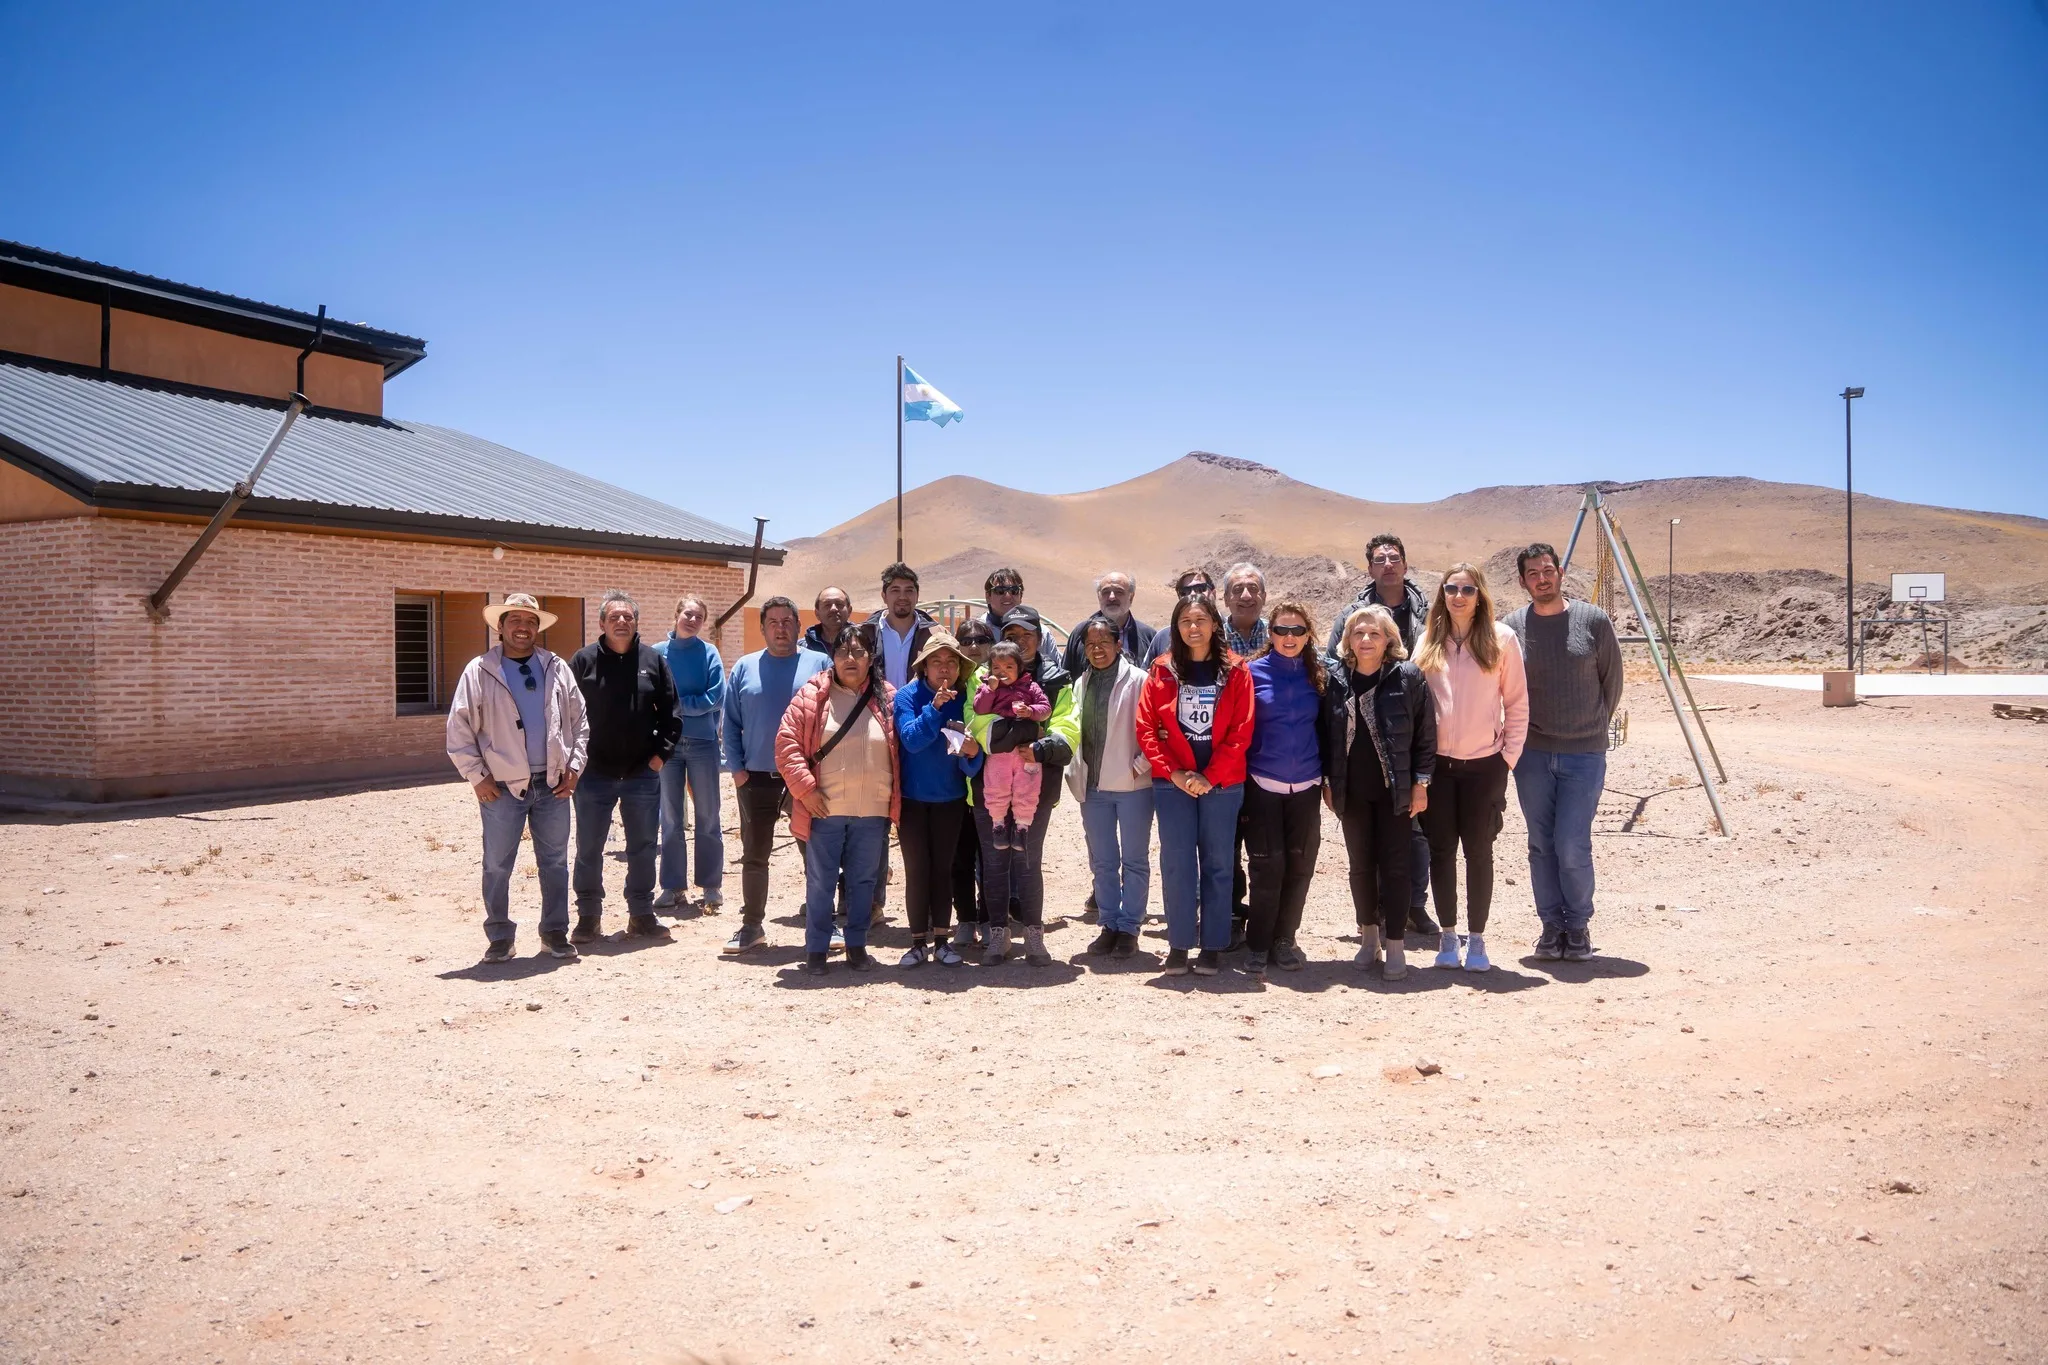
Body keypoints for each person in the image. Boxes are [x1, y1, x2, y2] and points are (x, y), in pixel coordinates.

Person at [446, 594, 589, 962]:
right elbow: (459, 730)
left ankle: (555, 933)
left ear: (537, 628)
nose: (523, 627)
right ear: (500, 627)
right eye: (515, 621)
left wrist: (574, 769)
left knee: (555, 862)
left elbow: (579, 724)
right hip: (502, 787)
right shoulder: (479, 670)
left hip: (553, 784)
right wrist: (477, 777)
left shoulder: (557, 667)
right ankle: (499, 937)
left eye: (530, 621)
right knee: (497, 863)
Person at [1502, 543, 1623, 962]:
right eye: (1532, 573)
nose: (1542, 577)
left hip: (1583, 754)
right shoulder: (1512, 627)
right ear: (1522, 581)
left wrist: (1590, 728)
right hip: (1532, 753)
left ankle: (1579, 925)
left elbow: (1612, 683)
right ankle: (1551, 927)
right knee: (1541, 844)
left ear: (1561, 572)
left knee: (1572, 843)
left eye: (1548, 570)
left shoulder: (1593, 621)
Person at [1413, 564, 1528, 973]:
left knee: (1479, 852)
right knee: (1441, 852)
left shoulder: (1502, 639)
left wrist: (1507, 758)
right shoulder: (1427, 642)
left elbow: (1516, 703)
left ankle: (1476, 940)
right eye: (1451, 588)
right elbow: (1415, 706)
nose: (1459, 596)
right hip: (1438, 769)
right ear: (1442, 594)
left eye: (1467, 588)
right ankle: (1448, 936)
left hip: (1485, 767)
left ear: (1479, 595)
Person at [1327, 533, 1439, 941]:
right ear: (1370, 567)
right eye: (1380, 559)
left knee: (1416, 832)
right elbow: (1331, 660)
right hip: (1366, 745)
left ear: (1405, 565)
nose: (1388, 564)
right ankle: (1372, 914)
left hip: (1411, 728)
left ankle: (1414, 907)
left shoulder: (1426, 611)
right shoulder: (1353, 615)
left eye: (1394, 558)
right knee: (1368, 839)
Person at [1138, 593, 1255, 977]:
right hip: (1173, 785)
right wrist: (1174, 773)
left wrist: (1211, 776)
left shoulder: (1236, 671)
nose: (1193, 628)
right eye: (1185, 621)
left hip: (1221, 785)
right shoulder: (1162, 669)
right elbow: (1146, 728)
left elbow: (1241, 730)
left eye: (1201, 620)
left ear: (1215, 625)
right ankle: (1179, 943)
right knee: (1177, 862)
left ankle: (1213, 944)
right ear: (1176, 628)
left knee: (1219, 863)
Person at [777, 629, 899, 975]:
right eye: (843, 651)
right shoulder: (813, 695)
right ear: (832, 657)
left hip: (872, 810)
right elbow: (787, 745)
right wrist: (805, 790)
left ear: (871, 658)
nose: (850, 659)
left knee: (864, 882)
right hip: (825, 808)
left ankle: (857, 946)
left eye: (858, 652)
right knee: (821, 881)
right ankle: (816, 949)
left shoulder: (887, 697)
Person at [963, 606, 1079, 966]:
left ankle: (1033, 935)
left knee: (1028, 861)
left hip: (1036, 783)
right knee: (994, 862)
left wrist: (1041, 745)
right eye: (1012, 635)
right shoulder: (984, 676)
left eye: (1027, 634)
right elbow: (975, 719)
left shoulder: (1056, 679)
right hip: (989, 786)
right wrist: (1022, 732)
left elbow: (1068, 726)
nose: (1020, 641)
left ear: (1040, 636)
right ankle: (998, 935)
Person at [719, 596, 830, 953]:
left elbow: (833, 717)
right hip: (756, 777)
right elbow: (730, 722)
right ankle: (751, 926)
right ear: (763, 628)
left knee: (816, 853)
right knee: (755, 854)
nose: (780, 628)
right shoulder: (745, 667)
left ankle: (825, 925)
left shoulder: (820, 663)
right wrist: (737, 771)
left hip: (806, 778)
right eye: (773, 622)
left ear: (799, 627)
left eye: (787, 622)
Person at [569, 591, 680, 943]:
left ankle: (641, 914)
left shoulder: (653, 660)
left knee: (643, 846)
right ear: (601, 623)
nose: (621, 622)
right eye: (614, 617)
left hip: (641, 775)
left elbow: (672, 714)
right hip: (593, 774)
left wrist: (659, 756)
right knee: (589, 847)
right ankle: (588, 916)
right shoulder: (583, 661)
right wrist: (574, 762)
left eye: (628, 617)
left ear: (636, 623)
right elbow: (564, 715)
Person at [1240, 601, 1332, 978]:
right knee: (1267, 865)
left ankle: (1285, 939)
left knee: (1300, 865)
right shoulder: (1250, 673)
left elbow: (1328, 731)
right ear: (1270, 633)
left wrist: (1328, 780)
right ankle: (1259, 942)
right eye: (1281, 630)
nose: (1289, 637)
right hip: (1262, 783)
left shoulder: (1321, 677)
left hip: (1307, 784)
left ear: (1308, 635)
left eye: (1297, 631)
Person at [893, 630, 984, 967]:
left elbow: (973, 759)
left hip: (951, 799)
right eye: (936, 662)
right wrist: (933, 709)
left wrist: (973, 755)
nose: (944, 668)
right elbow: (911, 740)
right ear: (924, 667)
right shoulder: (906, 696)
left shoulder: (968, 699)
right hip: (912, 799)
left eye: (951, 662)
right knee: (917, 869)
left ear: (960, 668)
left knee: (943, 869)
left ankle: (943, 941)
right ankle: (918, 942)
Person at [1070, 616, 1155, 959]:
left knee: (1134, 859)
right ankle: (1109, 923)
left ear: (1119, 645)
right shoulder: (1080, 683)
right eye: (1090, 644)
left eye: (1104, 642)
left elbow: (1157, 728)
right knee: (1103, 860)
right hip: (1093, 788)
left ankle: (1130, 927)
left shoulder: (1140, 681)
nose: (1097, 649)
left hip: (1133, 785)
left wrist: (1140, 766)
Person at [656, 594, 726, 913]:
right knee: (670, 817)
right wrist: (679, 708)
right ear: (676, 614)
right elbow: (649, 698)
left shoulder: (709, 653)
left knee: (708, 815)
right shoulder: (656, 654)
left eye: (699, 616)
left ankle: (710, 886)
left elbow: (715, 697)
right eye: (688, 613)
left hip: (702, 744)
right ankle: (672, 887)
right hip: (666, 746)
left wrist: (676, 707)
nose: (692, 620)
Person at [1218, 562, 1268, 946]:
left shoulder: (1283, 633)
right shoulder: (1210, 637)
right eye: (1238, 589)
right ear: (1225, 597)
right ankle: (1231, 913)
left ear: (1264, 596)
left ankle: (1268, 921)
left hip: (1270, 759)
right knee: (1226, 844)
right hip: (1223, 759)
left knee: (1267, 846)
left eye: (1253, 588)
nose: (1246, 595)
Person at [972, 642, 1052, 849]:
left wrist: (1031, 711)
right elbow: (979, 709)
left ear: (1019, 667)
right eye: (997, 668)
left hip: (1026, 749)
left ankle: (1022, 827)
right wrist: (990, 690)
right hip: (1001, 749)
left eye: (1008, 667)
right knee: (996, 785)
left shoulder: (1030, 687)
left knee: (1028, 786)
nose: (1002, 672)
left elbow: (1045, 709)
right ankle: (998, 824)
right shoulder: (988, 687)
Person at [949, 619, 998, 947]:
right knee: (960, 857)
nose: (975, 647)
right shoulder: (948, 682)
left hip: (990, 786)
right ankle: (965, 918)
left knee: (991, 858)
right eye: (966, 641)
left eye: (982, 640)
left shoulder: (1001, 684)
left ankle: (990, 918)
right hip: (953, 787)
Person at [1061, 572, 1154, 673]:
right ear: (1099, 596)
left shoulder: (1149, 637)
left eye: (1119, 592)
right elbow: (1065, 677)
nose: (1111, 597)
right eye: (1106, 592)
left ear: (1131, 597)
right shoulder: (1080, 633)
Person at [869, 563, 934, 691]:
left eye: (909, 590)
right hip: (876, 709)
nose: (902, 597)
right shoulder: (866, 634)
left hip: (921, 709)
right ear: (884, 596)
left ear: (917, 595)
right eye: (895, 590)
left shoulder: (934, 633)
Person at [980, 567, 1060, 665]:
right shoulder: (977, 633)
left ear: (1020, 596)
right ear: (988, 596)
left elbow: (1056, 669)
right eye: (1000, 591)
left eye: (1014, 590)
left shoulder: (1040, 632)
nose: (1008, 596)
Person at [1144, 568, 1219, 661]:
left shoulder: (1233, 632)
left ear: (1214, 593)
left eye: (1200, 589)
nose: (1192, 594)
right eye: (1185, 592)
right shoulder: (1163, 638)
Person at [803, 586, 853, 656]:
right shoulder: (803, 647)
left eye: (839, 604)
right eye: (827, 605)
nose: (833, 609)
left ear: (849, 610)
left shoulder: (864, 643)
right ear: (817, 613)